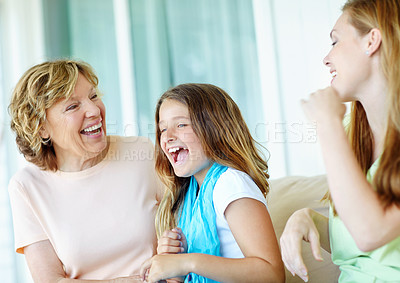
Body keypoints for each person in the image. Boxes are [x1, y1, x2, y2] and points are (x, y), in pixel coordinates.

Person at [8, 60, 162, 282]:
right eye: (72, 106)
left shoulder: (141, 151)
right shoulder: (27, 186)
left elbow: (185, 231)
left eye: (93, 96)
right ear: (41, 128)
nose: (94, 111)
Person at [280, 0, 400, 282]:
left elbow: (371, 233)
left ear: (372, 40)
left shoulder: (335, 128)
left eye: (335, 42)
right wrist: (310, 219)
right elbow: (363, 251)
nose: (326, 59)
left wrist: (327, 124)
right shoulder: (351, 130)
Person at [139, 83, 285, 282]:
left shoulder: (231, 183)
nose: (168, 137)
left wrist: (187, 262)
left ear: (215, 129)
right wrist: (173, 266)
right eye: (163, 129)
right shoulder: (189, 194)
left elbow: (272, 275)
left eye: (181, 125)